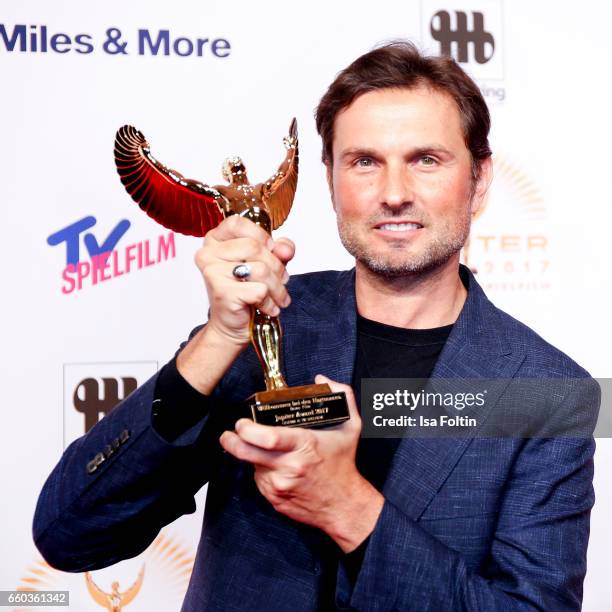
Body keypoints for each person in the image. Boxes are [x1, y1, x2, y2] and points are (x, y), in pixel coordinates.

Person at [33, 42, 598, 611]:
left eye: (426, 159)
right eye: (364, 162)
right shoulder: (267, 324)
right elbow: (69, 533)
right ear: (329, 180)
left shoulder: (546, 393)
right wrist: (218, 341)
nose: (394, 193)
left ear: (478, 181)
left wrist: (348, 508)